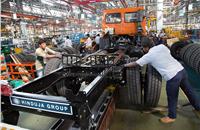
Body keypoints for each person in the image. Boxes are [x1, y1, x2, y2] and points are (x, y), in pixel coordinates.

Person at [124, 37, 200, 123]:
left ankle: (172, 117)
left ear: (146, 47)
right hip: (181, 70)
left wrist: (125, 65)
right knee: (189, 91)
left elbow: (136, 63)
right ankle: (198, 107)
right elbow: (168, 52)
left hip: (173, 76)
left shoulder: (148, 56)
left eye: (143, 47)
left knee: (172, 97)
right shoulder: (161, 46)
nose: (143, 49)